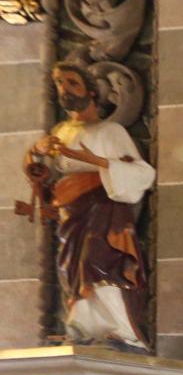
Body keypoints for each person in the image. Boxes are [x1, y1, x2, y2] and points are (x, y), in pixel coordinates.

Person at [17, 60, 154, 348]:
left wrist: (93, 161)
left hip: (104, 211)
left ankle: (118, 329)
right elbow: (41, 175)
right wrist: (35, 155)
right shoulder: (59, 132)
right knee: (71, 269)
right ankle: (81, 328)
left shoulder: (110, 131)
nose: (64, 89)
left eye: (72, 83)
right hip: (70, 213)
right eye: (59, 83)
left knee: (98, 263)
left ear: (91, 92)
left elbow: (142, 173)